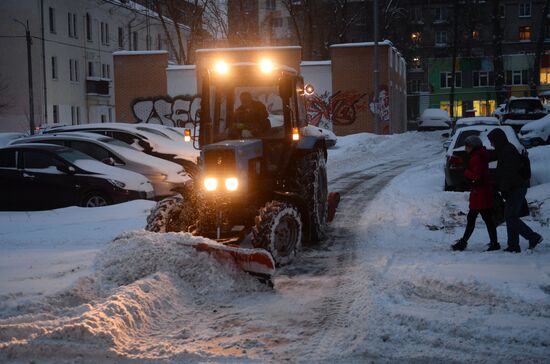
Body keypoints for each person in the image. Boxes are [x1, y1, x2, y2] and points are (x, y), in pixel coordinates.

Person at [487, 128, 543, 252]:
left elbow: (509, 173)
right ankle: (513, 245)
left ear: (497, 139)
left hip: (516, 188)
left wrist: (504, 188)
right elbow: (503, 172)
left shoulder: (507, 151)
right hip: (515, 188)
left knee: (510, 217)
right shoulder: (505, 149)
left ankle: (532, 236)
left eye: (492, 141)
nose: (491, 144)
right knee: (510, 216)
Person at [452, 135, 500, 251]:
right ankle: (493, 243)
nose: (465, 149)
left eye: (467, 146)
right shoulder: (478, 155)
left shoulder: (477, 157)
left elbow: (477, 176)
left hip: (480, 194)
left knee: (477, 219)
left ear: (472, 146)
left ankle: (464, 243)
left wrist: (465, 172)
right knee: (485, 219)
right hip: (481, 193)